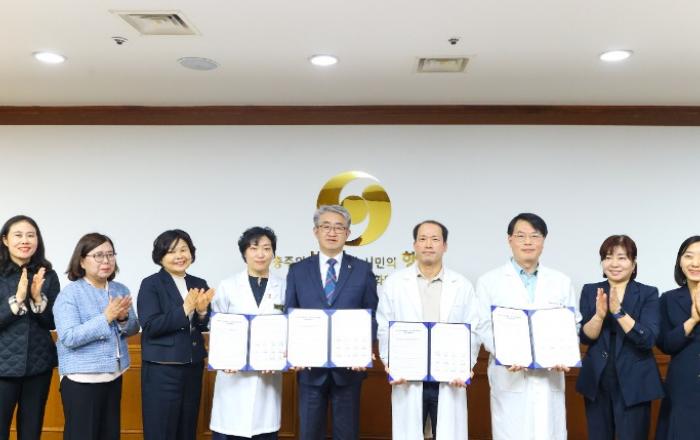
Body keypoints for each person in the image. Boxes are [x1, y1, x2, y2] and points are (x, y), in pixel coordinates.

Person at [476, 212, 579, 440]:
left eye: (535, 236)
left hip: (549, 375)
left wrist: (564, 354)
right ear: (509, 239)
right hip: (509, 375)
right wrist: (506, 354)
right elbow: (483, 326)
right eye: (521, 236)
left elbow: (572, 324)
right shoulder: (489, 282)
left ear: (543, 240)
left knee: (549, 432)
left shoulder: (561, 282)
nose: (528, 242)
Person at [377, 220, 481, 439]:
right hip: (408, 377)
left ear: (445, 246)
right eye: (422, 239)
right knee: (410, 433)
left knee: (447, 433)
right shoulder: (395, 284)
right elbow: (384, 328)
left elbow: (473, 330)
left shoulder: (462, 285)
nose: (428, 244)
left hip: (448, 377)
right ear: (414, 245)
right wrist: (391, 364)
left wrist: (466, 367)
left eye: (435, 239)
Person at [285, 205, 378, 440]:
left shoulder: (362, 270)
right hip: (309, 369)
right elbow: (290, 315)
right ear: (315, 231)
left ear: (348, 233)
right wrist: (293, 350)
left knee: (346, 434)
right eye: (326, 226)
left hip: (349, 370)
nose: (332, 232)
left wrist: (364, 350)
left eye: (339, 227)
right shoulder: (298, 270)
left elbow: (372, 315)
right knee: (309, 433)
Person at [576, 235, 663, 440]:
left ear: (633, 263)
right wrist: (599, 316)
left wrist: (618, 312)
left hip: (635, 381)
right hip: (597, 379)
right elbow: (586, 337)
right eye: (608, 257)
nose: (614, 263)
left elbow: (648, 339)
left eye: (622, 258)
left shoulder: (648, 293)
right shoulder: (591, 290)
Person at [54, 232, 139, 440]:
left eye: (110, 254)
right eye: (98, 255)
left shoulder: (120, 289)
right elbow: (69, 337)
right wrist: (106, 318)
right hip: (81, 381)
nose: (106, 261)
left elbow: (133, 328)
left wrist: (123, 319)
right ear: (82, 261)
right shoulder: (70, 294)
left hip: (114, 376)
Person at [137, 229, 215, 440]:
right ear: (160, 256)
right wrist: (185, 309)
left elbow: (202, 325)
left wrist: (201, 312)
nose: (180, 256)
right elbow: (151, 326)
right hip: (162, 370)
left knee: (187, 429)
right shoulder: (151, 284)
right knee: (161, 431)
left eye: (184, 249)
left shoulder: (199, 282)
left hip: (193, 367)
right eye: (172, 251)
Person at [210, 227, 286, 440]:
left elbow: (289, 329)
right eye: (254, 248)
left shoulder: (285, 286)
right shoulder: (228, 286)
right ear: (244, 252)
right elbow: (217, 327)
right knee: (230, 429)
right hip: (232, 375)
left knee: (264, 429)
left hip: (268, 374)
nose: (260, 254)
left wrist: (281, 356)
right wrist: (223, 359)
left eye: (266, 248)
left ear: (273, 253)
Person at [0, 215, 60, 440]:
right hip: (2, 368)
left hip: (38, 365)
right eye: (18, 235)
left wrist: (37, 299)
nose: (25, 240)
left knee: (31, 431)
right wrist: (17, 301)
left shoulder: (48, 275)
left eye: (30, 235)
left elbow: (53, 322)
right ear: (5, 240)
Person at [656, 235, 700, 440]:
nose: (695, 263)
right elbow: (665, 344)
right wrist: (692, 320)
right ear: (680, 261)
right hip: (682, 384)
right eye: (689, 256)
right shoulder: (668, 299)